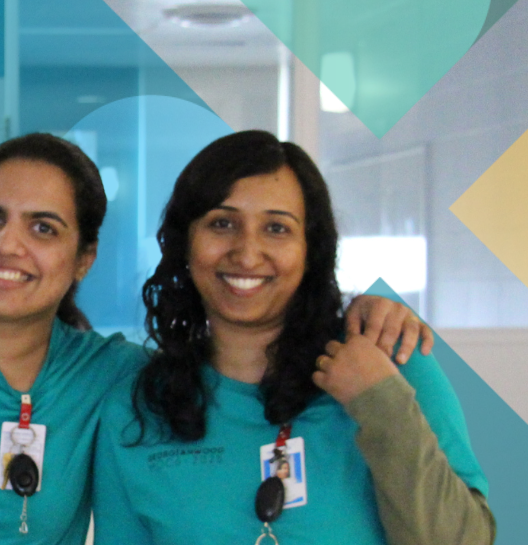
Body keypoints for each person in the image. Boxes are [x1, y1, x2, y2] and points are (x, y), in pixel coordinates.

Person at [0, 133, 435, 544]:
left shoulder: (118, 378)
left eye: (44, 227)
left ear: (84, 257)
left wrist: (363, 310)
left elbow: (242, 352)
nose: (8, 245)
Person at [92, 130, 494, 544]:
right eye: (222, 223)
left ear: (310, 250)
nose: (247, 253)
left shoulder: (389, 360)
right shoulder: (137, 411)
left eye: (276, 228)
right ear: (185, 243)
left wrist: (378, 402)